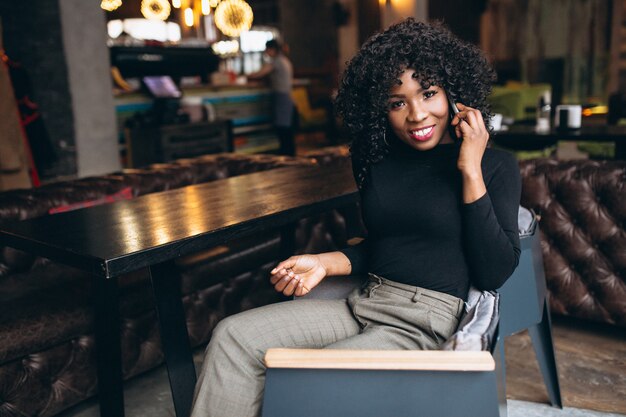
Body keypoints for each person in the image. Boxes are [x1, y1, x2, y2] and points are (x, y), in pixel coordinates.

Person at [191, 18, 521, 417]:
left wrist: (470, 169)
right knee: (232, 337)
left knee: (311, 381)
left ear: (455, 93)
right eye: (397, 102)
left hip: (423, 322)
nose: (416, 114)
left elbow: (494, 272)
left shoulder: (496, 166)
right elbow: (388, 245)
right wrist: (323, 263)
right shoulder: (377, 162)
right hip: (364, 300)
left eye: (428, 93)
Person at [248, 39, 296, 156]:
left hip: (281, 97)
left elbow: (261, 73)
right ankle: (290, 154)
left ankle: (286, 155)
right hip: (287, 96)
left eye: (267, 49)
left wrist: (248, 76)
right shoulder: (285, 61)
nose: (266, 52)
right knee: (286, 128)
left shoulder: (277, 61)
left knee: (283, 128)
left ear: (272, 49)